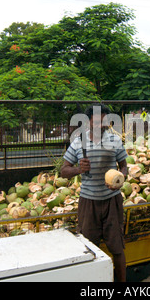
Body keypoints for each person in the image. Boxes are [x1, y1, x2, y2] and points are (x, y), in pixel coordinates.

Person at [60, 104, 128, 282]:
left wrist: (121, 179)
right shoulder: (78, 143)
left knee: (118, 249)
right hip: (88, 203)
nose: (101, 124)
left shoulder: (114, 140)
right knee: (89, 249)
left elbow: (124, 166)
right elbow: (63, 171)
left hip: (112, 201)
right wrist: (77, 170)